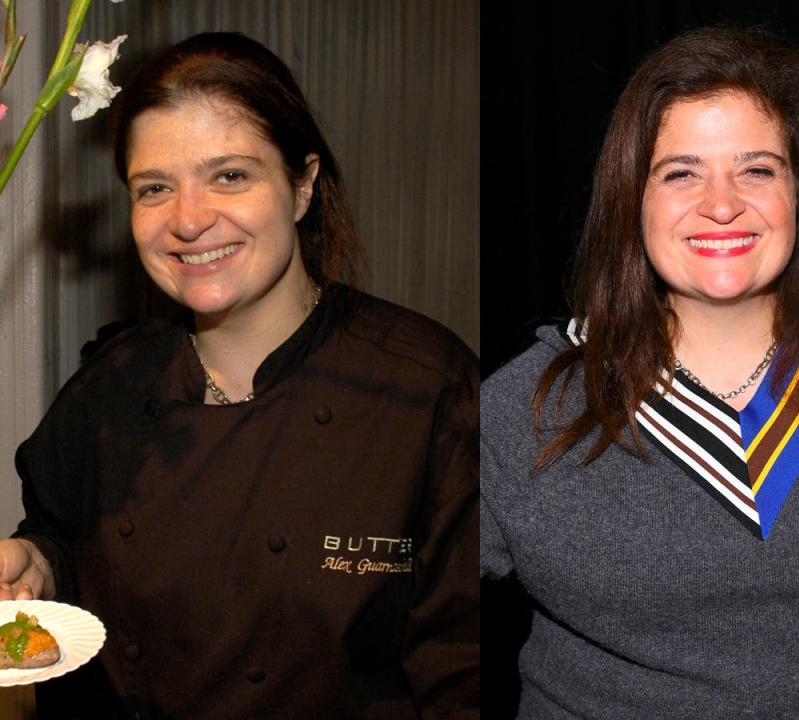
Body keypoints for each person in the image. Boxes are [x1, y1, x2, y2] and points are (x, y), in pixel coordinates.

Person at [481, 25, 799, 719]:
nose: (722, 202)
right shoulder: (527, 408)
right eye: (681, 172)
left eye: (757, 169)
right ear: (632, 201)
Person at [0, 32, 479, 719]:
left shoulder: (426, 391)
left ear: (303, 184)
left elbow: (463, 677)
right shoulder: (107, 388)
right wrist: (39, 564)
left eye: (230, 175)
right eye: (155, 187)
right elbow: (63, 534)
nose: (189, 220)